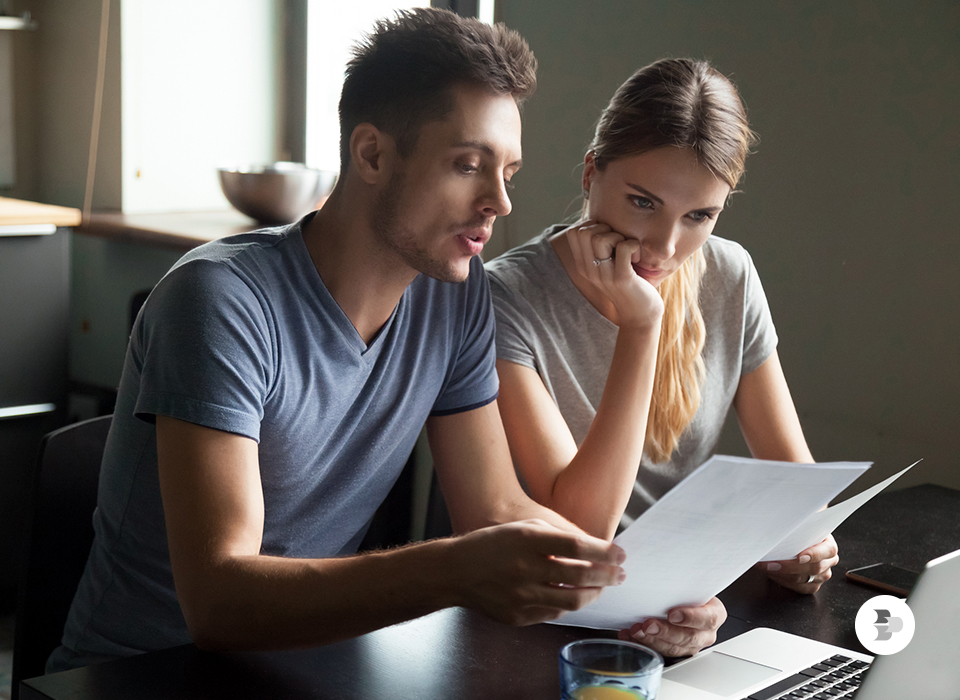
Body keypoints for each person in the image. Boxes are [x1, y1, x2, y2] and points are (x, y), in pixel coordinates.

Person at [47, 8, 628, 672]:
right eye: (469, 164)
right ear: (372, 153)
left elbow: (496, 507)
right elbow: (217, 601)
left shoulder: (457, 294)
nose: (500, 200)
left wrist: (640, 596)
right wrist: (450, 570)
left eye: (509, 173)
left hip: (303, 667)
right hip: (143, 676)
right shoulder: (219, 300)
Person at [485, 58, 839, 658]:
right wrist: (642, 325)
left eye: (700, 215)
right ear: (592, 171)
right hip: (537, 620)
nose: (666, 247)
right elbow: (582, 527)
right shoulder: (504, 296)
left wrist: (806, 548)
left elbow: (796, 486)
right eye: (643, 202)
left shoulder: (730, 275)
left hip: (673, 602)